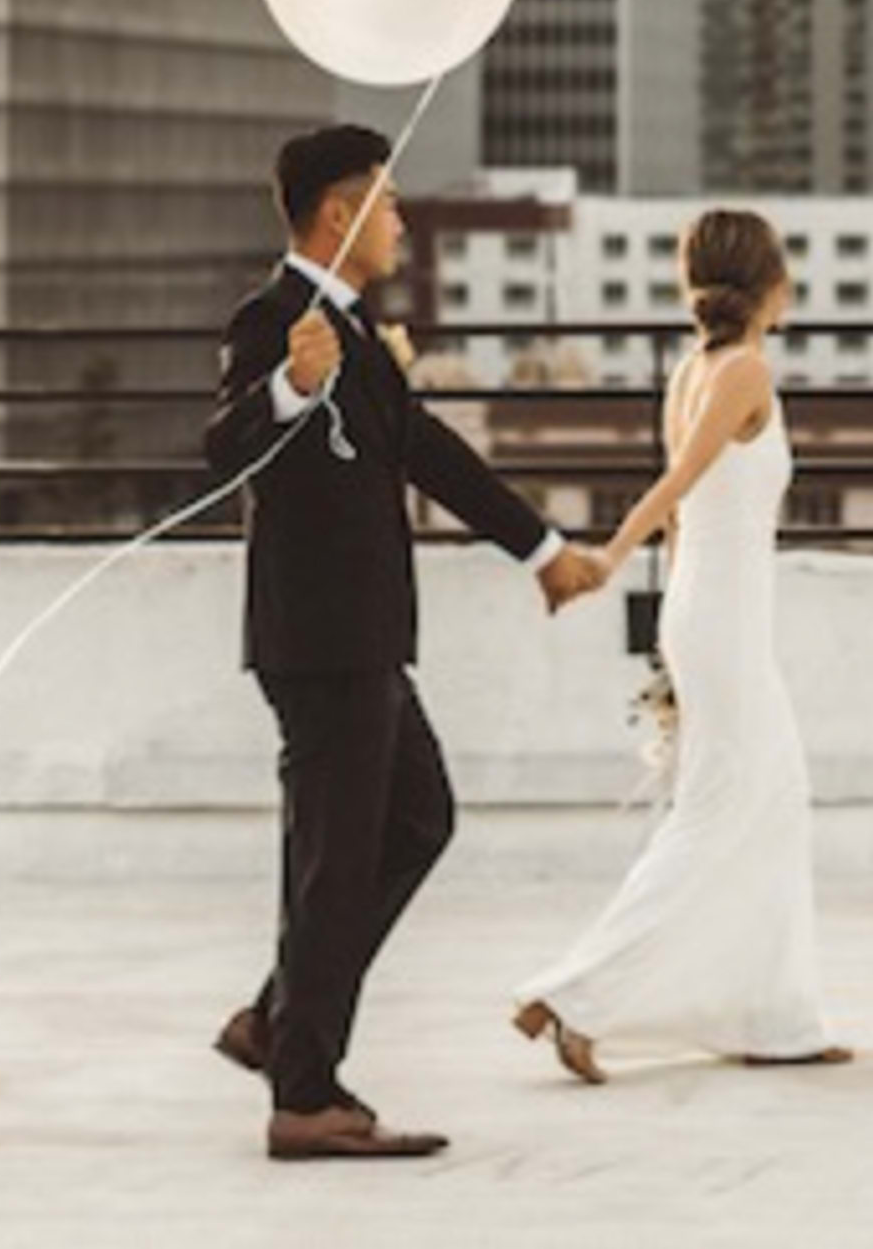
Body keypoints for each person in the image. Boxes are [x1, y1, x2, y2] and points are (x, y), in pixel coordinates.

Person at [201, 122, 606, 1162]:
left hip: (367, 638)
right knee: (337, 863)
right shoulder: (277, 319)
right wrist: (288, 385)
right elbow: (222, 451)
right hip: (322, 643)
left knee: (416, 820)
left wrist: (544, 549)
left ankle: (276, 1018)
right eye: (386, 204)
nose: (401, 220)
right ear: (338, 217)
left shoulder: (357, 325)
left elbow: (426, 452)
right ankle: (305, 1093)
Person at [511, 207, 852, 1079]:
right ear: (771, 282)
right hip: (725, 620)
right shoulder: (744, 372)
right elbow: (678, 483)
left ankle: (774, 1018)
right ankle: (578, 996)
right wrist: (608, 558)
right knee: (718, 812)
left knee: (770, 799)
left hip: (709, 613)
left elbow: (685, 514)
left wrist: (674, 640)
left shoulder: (688, 370)